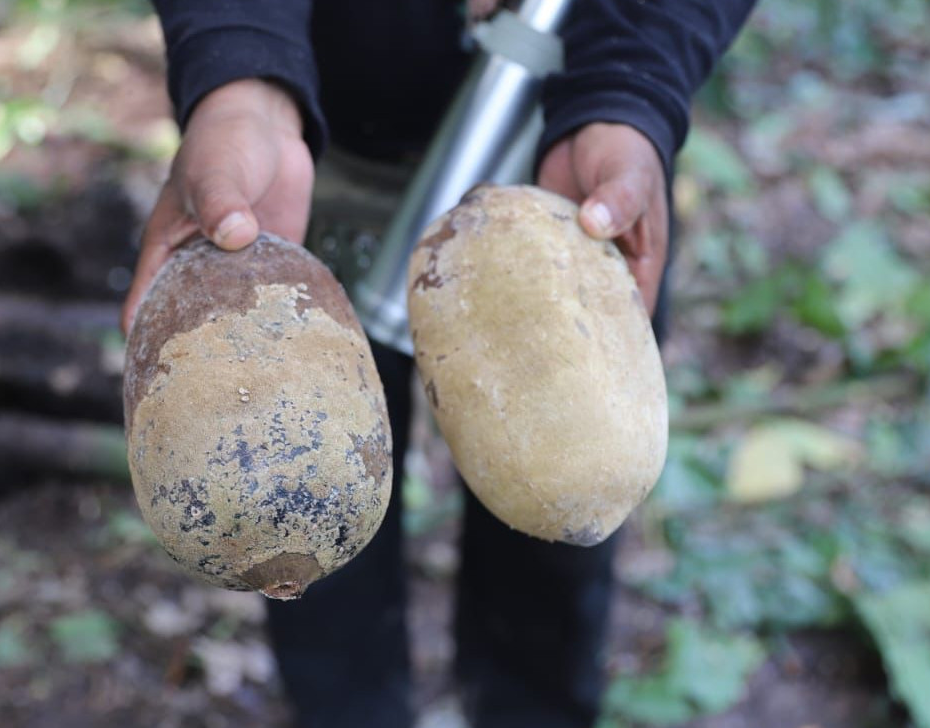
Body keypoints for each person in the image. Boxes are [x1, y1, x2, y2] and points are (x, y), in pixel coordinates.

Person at [123, 2, 757, 727]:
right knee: (299, 511)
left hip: (570, 144)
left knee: (561, 523)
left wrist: (632, 89)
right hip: (302, 143)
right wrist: (239, 72)